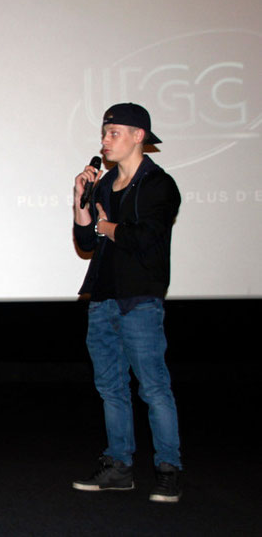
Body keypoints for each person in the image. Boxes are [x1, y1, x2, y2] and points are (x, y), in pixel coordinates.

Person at [71, 102, 182, 503]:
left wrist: (105, 224)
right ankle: (119, 467)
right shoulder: (102, 186)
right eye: (103, 133)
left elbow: (144, 239)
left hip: (139, 300)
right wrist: (79, 199)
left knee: (153, 387)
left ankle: (168, 469)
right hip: (102, 298)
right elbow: (87, 242)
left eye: (113, 132)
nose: (104, 140)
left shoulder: (158, 185)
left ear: (139, 136)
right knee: (111, 389)